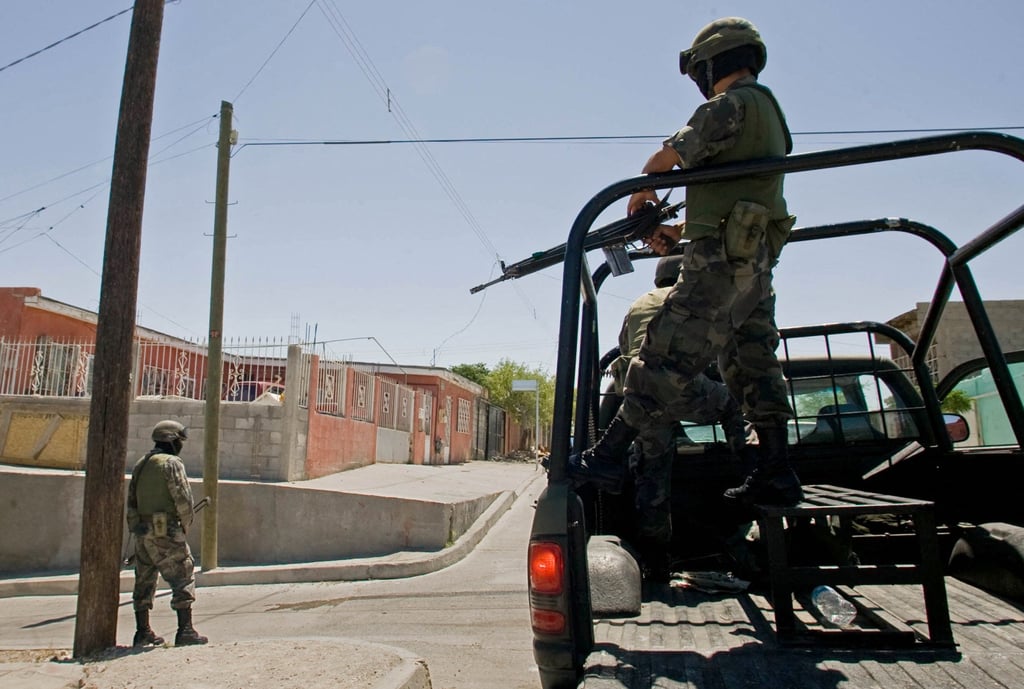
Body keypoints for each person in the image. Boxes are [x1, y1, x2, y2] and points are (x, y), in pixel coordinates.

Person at [572, 17, 802, 507]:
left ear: (712, 63)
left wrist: (644, 193)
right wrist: (678, 233)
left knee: (666, 348)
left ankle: (609, 455)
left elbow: (663, 159)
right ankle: (777, 471)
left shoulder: (728, 106)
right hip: (753, 257)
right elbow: (739, 192)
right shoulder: (771, 113)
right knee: (753, 358)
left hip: (722, 257)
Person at [610, 255, 749, 578]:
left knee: (652, 479)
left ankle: (656, 560)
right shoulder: (691, 298)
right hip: (685, 389)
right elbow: (723, 347)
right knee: (733, 405)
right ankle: (746, 467)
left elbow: (624, 349)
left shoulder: (639, 304)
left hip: (642, 400)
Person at [127, 419, 207, 647]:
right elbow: (182, 497)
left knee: (144, 579)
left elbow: (131, 501)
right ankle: (185, 630)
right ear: (172, 441)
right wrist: (184, 525)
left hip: (142, 531)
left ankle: (142, 631)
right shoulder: (172, 463)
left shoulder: (142, 463)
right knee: (183, 574)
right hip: (166, 530)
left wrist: (136, 528)